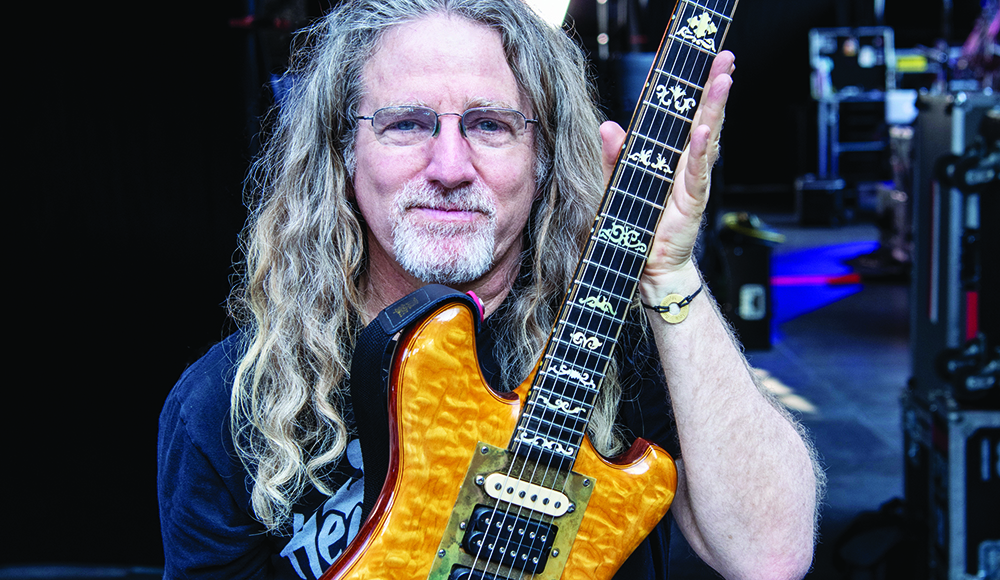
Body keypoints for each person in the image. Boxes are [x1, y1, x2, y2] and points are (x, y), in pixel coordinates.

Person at [157, 0, 822, 578]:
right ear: (344, 153)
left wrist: (669, 274)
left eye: (490, 125)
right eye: (406, 124)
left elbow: (769, 556)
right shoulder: (230, 407)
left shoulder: (620, 345)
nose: (449, 168)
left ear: (543, 157)